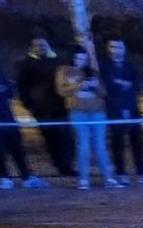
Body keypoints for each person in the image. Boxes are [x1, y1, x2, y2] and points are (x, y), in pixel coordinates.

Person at [57, 46, 120, 190]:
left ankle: (109, 178)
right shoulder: (64, 71)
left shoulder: (93, 72)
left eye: (84, 59)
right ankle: (83, 179)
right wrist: (79, 86)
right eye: (78, 58)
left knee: (100, 145)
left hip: (97, 112)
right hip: (78, 112)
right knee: (83, 144)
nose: (81, 61)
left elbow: (103, 92)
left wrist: (95, 85)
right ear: (72, 58)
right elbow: (61, 91)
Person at [17, 37, 74, 177]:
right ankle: (60, 166)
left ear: (48, 45)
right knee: (50, 139)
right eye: (36, 45)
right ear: (32, 47)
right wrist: (29, 105)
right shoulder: (26, 64)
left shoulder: (59, 61)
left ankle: (67, 166)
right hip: (41, 109)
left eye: (42, 44)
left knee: (67, 138)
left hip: (60, 106)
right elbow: (22, 87)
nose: (40, 47)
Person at [101, 38, 143, 185]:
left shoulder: (131, 66)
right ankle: (120, 173)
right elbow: (108, 86)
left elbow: (137, 85)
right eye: (112, 46)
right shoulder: (104, 67)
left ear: (124, 49)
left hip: (132, 109)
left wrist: (121, 84)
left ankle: (142, 172)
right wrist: (123, 84)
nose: (115, 50)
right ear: (108, 48)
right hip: (114, 110)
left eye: (119, 47)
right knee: (117, 143)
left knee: (137, 142)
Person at [0, 65, 47, 189]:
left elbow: (9, 93)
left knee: (17, 148)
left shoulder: (2, 75)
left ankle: (27, 177)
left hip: (8, 119)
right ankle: (4, 178)